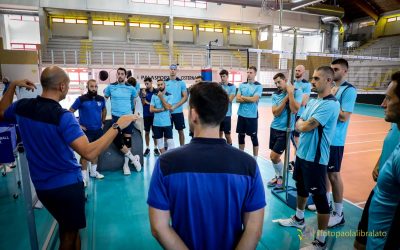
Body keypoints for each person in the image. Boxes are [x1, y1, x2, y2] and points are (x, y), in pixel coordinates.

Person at [0, 66, 138, 250]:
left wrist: (13, 85)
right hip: (66, 187)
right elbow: (89, 152)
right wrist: (117, 126)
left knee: (70, 229)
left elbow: (2, 111)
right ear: (62, 87)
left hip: (42, 186)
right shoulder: (63, 117)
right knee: (68, 236)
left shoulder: (22, 107)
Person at [147, 82, 266, 249]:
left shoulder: (166, 163)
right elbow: (254, 230)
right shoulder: (248, 165)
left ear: (193, 114)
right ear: (223, 114)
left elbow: (159, 228)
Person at [279, 66, 340, 249]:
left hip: (315, 159)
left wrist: (303, 124)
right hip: (303, 154)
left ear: (329, 81)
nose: (312, 81)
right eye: (312, 78)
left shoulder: (331, 104)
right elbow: (299, 120)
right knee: (301, 187)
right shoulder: (313, 101)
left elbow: (305, 126)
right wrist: (302, 124)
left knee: (320, 199)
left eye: (317, 78)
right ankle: (299, 218)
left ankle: (320, 242)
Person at [354, 71, 400, 249]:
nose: (382, 105)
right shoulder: (395, 129)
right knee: (359, 243)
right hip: (378, 193)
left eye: (388, 99)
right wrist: (380, 162)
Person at [325, 58, 357, 227]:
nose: (333, 71)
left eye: (336, 69)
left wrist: (330, 101)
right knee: (325, 173)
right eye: (331, 69)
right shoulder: (331, 87)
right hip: (325, 138)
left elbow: (344, 116)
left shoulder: (349, 90)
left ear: (345, 71)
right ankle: (325, 203)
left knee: (334, 175)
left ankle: (339, 213)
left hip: (336, 140)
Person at [104, 67, 142, 175]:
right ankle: (134, 159)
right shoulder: (110, 87)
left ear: (125, 76)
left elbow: (136, 102)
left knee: (127, 140)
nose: (120, 75)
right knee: (116, 140)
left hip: (128, 117)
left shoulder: (131, 88)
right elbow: (104, 101)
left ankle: (126, 165)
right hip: (116, 118)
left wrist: (136, 114)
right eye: (118, 74)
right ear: (116, 75)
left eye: (122, 74)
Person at [267, 73, 302, 189]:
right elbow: (275, 112)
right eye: (275, 83)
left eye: (279, 82)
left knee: (273, 156)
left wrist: (290, 93)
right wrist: (286, 98)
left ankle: (282, 177)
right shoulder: (275, 95)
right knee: (274, 157)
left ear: (285, 80)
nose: (277, 85)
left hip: (285, 131)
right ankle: (278, 176)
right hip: (274, 128)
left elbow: (294, 109)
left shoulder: (297, 92)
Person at [70, 79, 106, 185]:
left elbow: (104, 110)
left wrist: (103, 122)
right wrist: (78, 125)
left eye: (95, 86)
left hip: (98, 130)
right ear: (87, 87)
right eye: (92, 86)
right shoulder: (81, 99)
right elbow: (70, 112)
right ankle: (84, 177)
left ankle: (94, 172)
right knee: (85, 155)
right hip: (85, 132)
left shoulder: (101, 99)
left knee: (96, 152)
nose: (94, 89)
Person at [236, 66, 263, 157]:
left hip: (252, 116)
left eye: (251, 72)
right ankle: (241, 156)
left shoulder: (258, 86)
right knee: (241, 136)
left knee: (253, 137)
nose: (249, 74)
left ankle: (255, 159)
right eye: (248, 72)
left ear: (255, 74)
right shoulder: (242, 85)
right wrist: (249, 98)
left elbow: (254, 99)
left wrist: (243, 97)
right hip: (241, 115)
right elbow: (237, 99)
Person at [290, 65, 312, 170]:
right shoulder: (292, 82)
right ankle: (295, 160)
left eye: (299, 71)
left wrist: (293, 96)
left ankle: (296, 161)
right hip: (291, 113)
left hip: (300, 114)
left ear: (303, 72)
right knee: (290, 137)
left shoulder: (306, 85)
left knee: (297, 138)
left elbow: (303, 102)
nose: (297, 72)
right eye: (296, 70)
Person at [165, 64, 188, 146]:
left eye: (174, 69)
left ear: (177, 71)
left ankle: (182, 149)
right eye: (171, 69)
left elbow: (185, 97)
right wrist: (167, 107)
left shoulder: (181, 83)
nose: (173, 70)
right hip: (167, 113)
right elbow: (162, 97)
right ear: (169, 70)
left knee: (181, 131)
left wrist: (175, 106)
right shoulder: (164, 83)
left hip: (178, 112)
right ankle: (168, 151)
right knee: (167, 133)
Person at [150, 79, 174, 154]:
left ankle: (172, 157)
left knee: (170, 141)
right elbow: (151, 109)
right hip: (156, 123)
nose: (160, 86)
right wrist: (162, 109)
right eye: (158, 85)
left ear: (164, 85)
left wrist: (161, 97)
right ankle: (164, 157)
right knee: (159, 142)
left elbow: (168, 107)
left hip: (167, 123)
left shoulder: (170, 95)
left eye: (161, 84)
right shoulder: (154, 95)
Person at [141, 77, 160, 157]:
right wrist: (144, 97)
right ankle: (147, 148)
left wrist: (148, 103)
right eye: (145, 84)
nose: (146, 85)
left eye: (147, 83)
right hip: (146, 115)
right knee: (147, 132)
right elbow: (143, 103)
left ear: (151, 82)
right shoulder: (144, 92)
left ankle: (155, 148)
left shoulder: (157, 92)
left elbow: (157, 103)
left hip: (155, 115)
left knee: (155, 132)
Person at [219, 69, 236, 145]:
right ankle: (219, 149)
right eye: (221, 76)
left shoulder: (232, 87)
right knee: (219, 135)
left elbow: (230, 99)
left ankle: (230, 149)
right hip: (219, 114)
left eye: (224, 76)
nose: (222, 78)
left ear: (227, 76)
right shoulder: (218, 86)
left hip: (227, 115)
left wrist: (222, 93)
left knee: (227, 135)